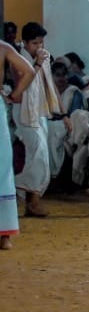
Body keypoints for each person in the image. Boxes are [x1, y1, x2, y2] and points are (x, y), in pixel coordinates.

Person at [14, 22, 60, 217]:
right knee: (39, 155)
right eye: (34, 43)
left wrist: (63, 113)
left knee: (42, 158)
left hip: (40, 111)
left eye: (41, 43)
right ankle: (14, 188)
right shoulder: (16, 59)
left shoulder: (44, 58)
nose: (39, 47)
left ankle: (31, 202)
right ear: (24, 43)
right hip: (24, 112)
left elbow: (50, 86)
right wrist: (38, 64)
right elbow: (21, 84)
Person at [0, 41, 35, 248]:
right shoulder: (3, 48)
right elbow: (28, 71)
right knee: (2, 169)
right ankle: (4, 236)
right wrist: (15, 94)